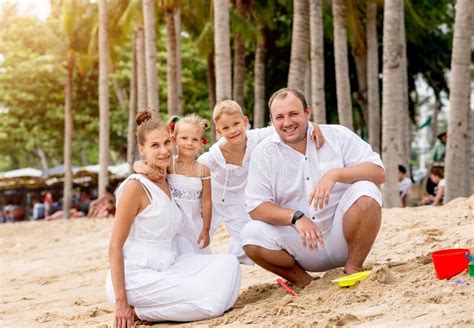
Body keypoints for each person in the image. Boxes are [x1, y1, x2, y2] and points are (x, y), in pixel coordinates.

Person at [134, 100, 324, 264]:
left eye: (236, 124)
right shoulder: (213, 156)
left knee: (251, 240)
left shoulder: (257, 137)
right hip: (219, 200)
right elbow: (190, 167)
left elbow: (283, 127)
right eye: (226, 128)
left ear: (245, 122)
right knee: (202, 238)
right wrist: (139, 166)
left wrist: (312, 125)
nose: (232, 131)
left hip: (247, 199)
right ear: (218, 131)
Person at [106, 108, 240, 327]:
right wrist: (121, 303)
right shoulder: (135, 186)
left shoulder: (168, 175)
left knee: (230, 263)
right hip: (136, 275)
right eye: (154, 146)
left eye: (167, 143)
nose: (164, 151)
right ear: (142, 149)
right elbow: (114, 246)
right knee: (213, 303)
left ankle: (148, 308)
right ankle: (139, 311)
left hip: (170, 264)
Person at [241, 88, 385, 288]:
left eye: (293, 114)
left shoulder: (337, 135)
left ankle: (353, 267)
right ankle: (305, 282)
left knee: (366, 190)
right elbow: (256, 207)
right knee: (250, 233)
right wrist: (296, 217)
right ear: (272, 120)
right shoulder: (264, 153)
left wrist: (335, 174)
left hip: (343, 236)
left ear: (307, 112)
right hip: (301, 245)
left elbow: (378, 172)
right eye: (280, 117)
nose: (287, 122)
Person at [134, 114, 213, 255]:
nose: (189, 143)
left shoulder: (203, 169)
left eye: (194, 139)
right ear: (174, 140)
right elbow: (139, 164)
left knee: (197, 256)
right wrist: (143, 168)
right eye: (184, 138)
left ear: (201, 142)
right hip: (173, 227)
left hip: (194, 224)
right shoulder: (171, 164)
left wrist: (206, 229)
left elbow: (206, 201)